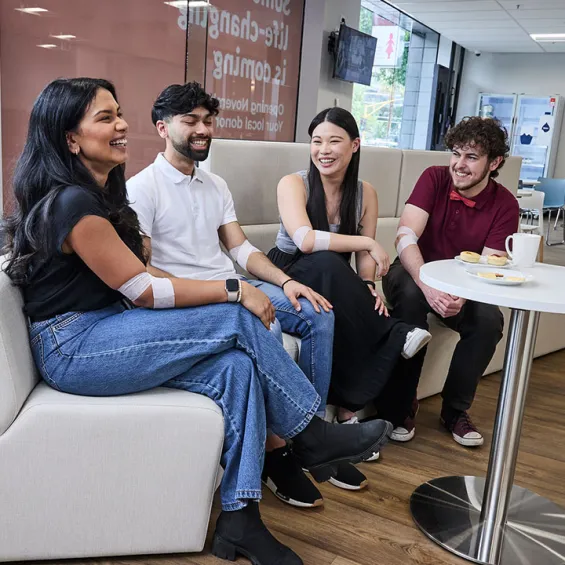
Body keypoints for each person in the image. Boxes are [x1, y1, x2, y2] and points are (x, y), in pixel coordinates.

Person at [2, 77, 393, 565]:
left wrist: (239, 286)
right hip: (75, 345)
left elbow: (145, 270)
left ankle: (240, 521)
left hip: (106, 329)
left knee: (238, 369)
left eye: (119, 113)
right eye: (106, 118)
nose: (123, 125)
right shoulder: (72, 203)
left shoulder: (102, 195)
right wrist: (233, 289)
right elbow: (142, 289)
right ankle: (309, 435)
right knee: (233, 315)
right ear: (70, 138)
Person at [126, 83, 365, 505]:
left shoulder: (214, 184)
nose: (202, 130)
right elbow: (142, 270)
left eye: (207, 120)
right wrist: (228, 292)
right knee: (264, 329)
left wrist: (286, 282)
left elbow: (240, 249)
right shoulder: (142, 188)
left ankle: (314, 436)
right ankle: (281, 454)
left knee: (316, 313)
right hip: (197, 298)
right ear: (163, 127)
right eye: (190, 121)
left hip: (234, 284)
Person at [268, 107, 431, 439]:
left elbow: (363, 260)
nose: (323, 150)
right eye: (316, 141)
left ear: (355, 145)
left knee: (357, 303)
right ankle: (397, 333)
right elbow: (305, 239)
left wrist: (369, 285)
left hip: (336, 277)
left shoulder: (364, 192)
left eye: (334, 141)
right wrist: (368, 241)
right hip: (291, 268)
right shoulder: (293, 184)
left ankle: (348, 407)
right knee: (328, 261)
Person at [381, 116, 519, 447]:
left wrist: (461, 295)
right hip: (412, 272)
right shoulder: (433, 178)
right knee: (413, 298)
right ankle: (400, 407)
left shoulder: (505, 205)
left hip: (463, 285)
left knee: (489, 320)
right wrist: (429, 285)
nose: (459, 164)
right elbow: (404, 237)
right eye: (456, 153)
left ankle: (454, 411)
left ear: (494, 162)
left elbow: (487, 265)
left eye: (471, 157)